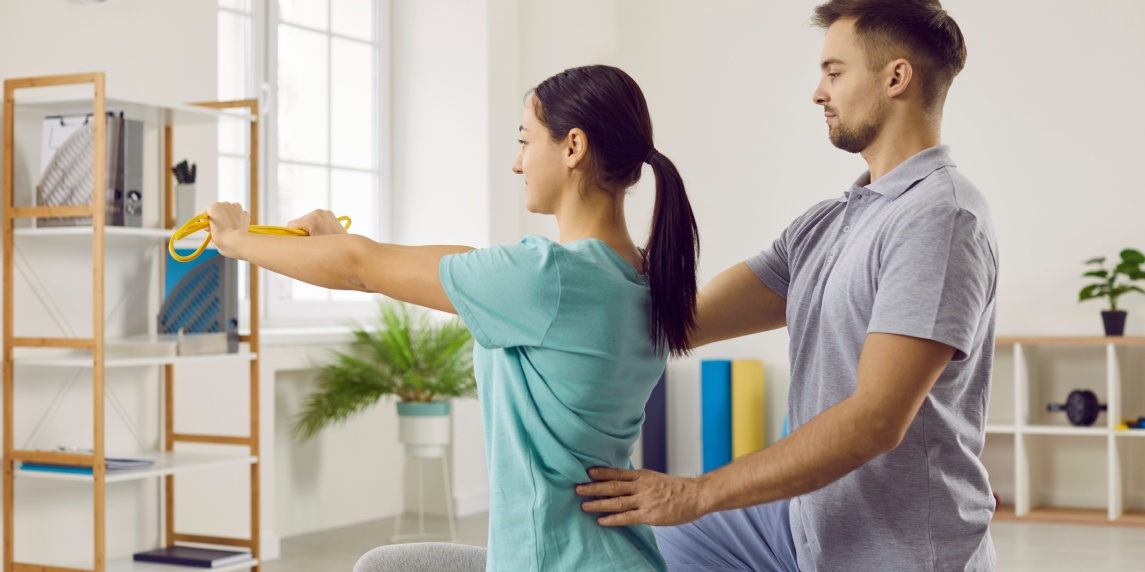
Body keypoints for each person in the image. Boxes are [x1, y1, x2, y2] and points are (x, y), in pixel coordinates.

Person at [205, 64, 699, 571]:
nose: (516, 162)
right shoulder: (642, 278)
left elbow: (361, 269)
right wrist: (341, 246)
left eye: (525, 141)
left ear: (573, 147)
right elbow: (406, 261)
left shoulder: (546, 278)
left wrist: (237, 241)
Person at [577, 1, 998, 570]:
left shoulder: (940, 219)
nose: (817, 93)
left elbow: (874, 420)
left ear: (896, 77)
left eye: (834, 71)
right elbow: (681, 322)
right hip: (797, 526)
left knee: (678, 516)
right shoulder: (830, 222)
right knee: (641, 553)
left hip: (893, 553)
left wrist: (694, 493)